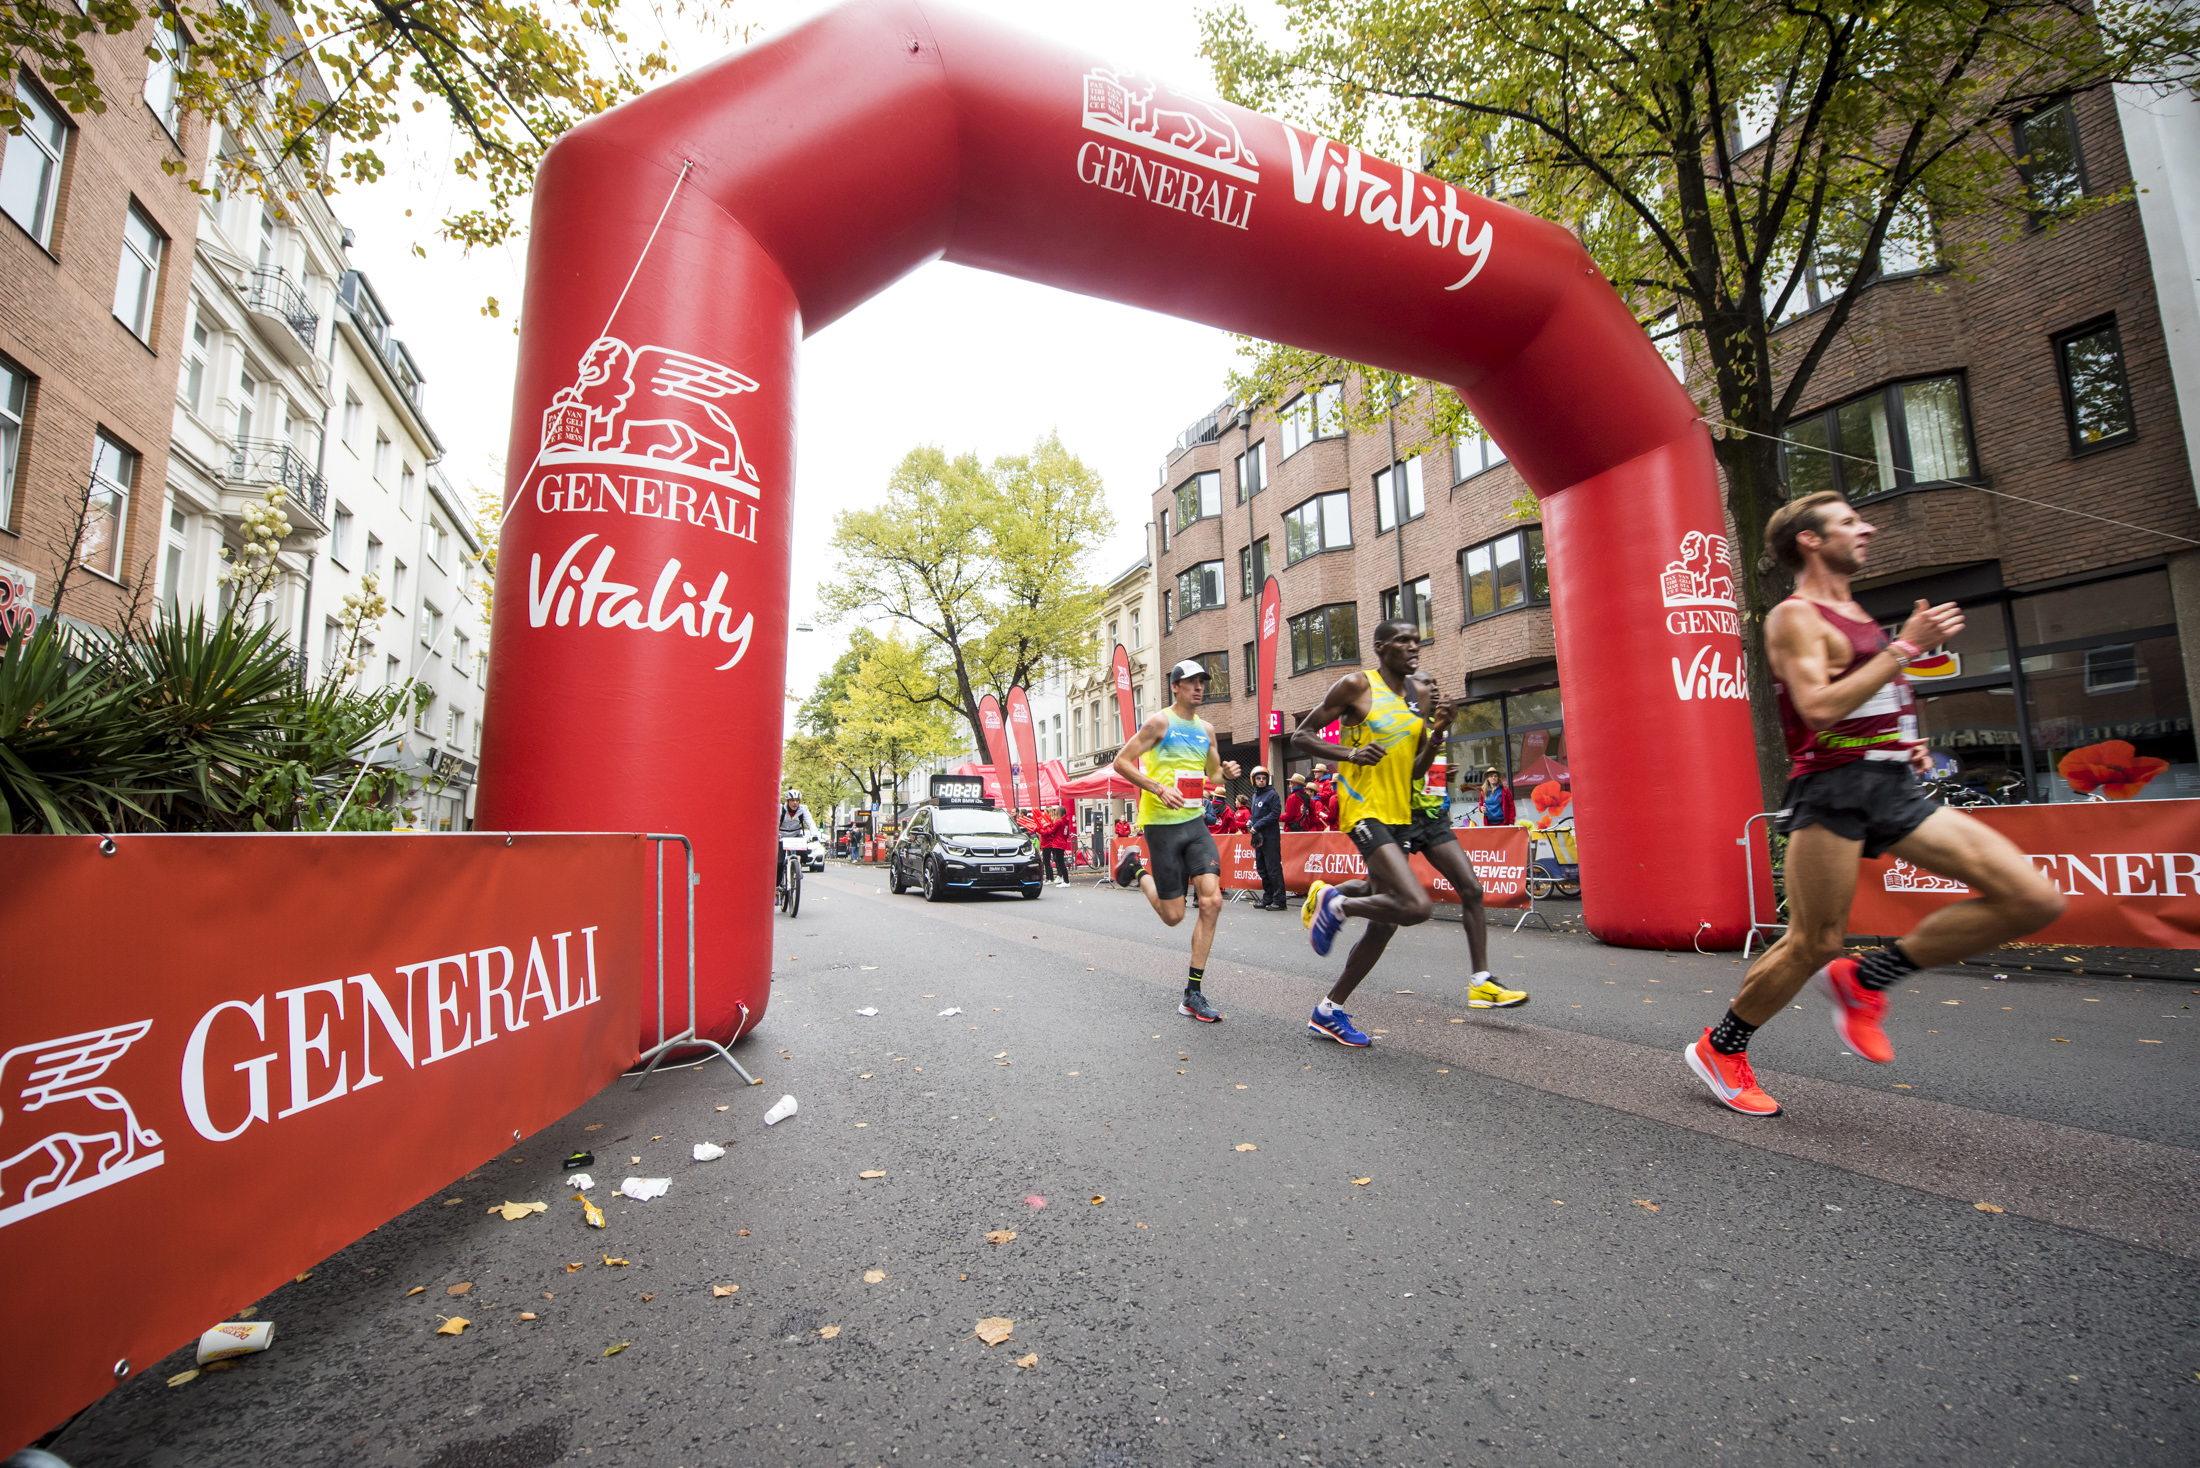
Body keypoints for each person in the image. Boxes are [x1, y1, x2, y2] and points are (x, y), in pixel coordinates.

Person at [1685, 492, 2064, 1117]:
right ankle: (1721, 1048)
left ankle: (1868, 979)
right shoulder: (1793, 616)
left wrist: (1905, 739)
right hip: (1831, 790)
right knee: (1813, 941)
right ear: (1809, 540)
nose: (1867, 529)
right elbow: (1820, 708)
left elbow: (1866, 698)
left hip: (1892, 785)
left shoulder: (1853, 610)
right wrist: (1906, 646)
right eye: (1849, 523)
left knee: (2031, 898)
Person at [1289, 620, 1441, 1046]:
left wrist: (1439, 731)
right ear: (1379, 647)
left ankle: (1328, 1010)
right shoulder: (1357, 686)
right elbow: (1300, 735)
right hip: (1364, 810)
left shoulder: (1418, 697)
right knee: (1415, 906)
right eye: (1403, 640)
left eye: (1417, 639)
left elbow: (1414, 770)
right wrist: (1350, 753)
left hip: (1399, 814)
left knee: (1388, 922)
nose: (1414, 646)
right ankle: (1337, 905)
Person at [1112, 659, 1244, 1023]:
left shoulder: (1207, 729)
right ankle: (1135, 868)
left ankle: (1193, 993)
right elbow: (1122, 763)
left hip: (1195, 823)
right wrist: (1156, 787)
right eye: (1190, 682)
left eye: (1202, 681)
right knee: (1173, 917)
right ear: (1175, 687)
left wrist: (1227, 772)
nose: (1198, 687)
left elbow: (1214, 773)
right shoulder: (1159, 723)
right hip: (1161, 825)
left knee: (1212, 900)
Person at [1247, 766, 1286, 908]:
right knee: (1262, 868)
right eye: (1258, 778)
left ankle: (1280, 901)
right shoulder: (1255, 795)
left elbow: (1275, 814)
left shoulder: (1272, 795)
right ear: (1253, 780)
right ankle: (1268, 897)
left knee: (1273, 868)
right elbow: (1256, 814)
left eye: (1264, 778)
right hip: (1258, 838)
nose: (1261, 781)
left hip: (1270, 837)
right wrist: (1251, 821)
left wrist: (1257, 825)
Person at [1039, 805, 1074, 887]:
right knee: (1060, 862)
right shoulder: (1065, 821)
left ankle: (1066, 881)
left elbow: (1051, 831)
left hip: (1058, 843)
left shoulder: (1059, 821)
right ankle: (1064, 880)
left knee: (1061, 862)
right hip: (1062, 842)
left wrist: (1045, 827)